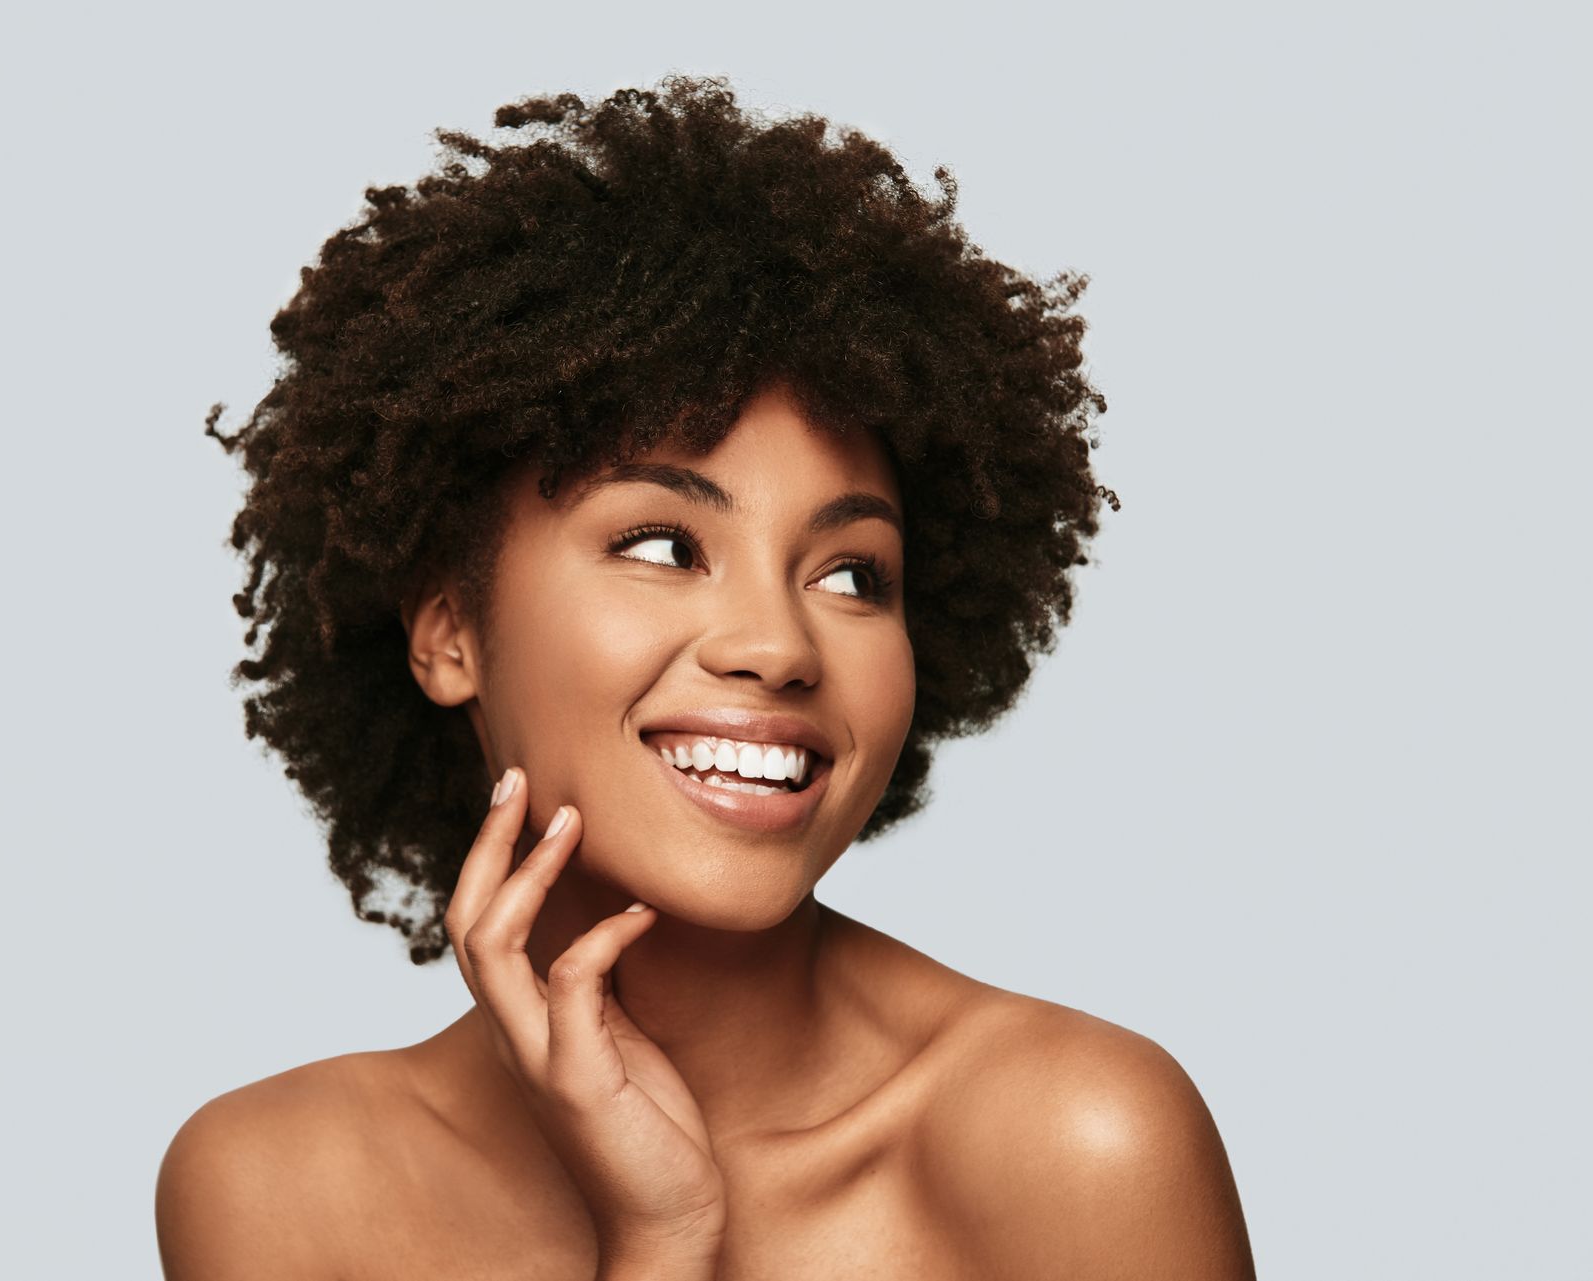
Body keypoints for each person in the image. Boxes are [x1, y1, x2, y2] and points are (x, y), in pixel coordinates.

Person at [155, 74, 1256, 1280]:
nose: (780, 646)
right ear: (448, 635)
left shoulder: (1075, 1142)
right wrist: (662, 1236)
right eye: (665, 547)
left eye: (851, 575)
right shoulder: (281, 1189)